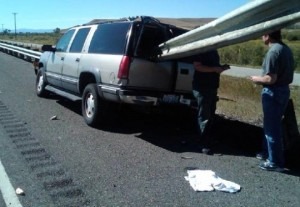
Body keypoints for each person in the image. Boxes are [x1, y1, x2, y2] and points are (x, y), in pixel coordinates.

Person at [250, 30, 294, 172]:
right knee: (273, 124)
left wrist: (256, 79)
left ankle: (275, 161)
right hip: (283, 90)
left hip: (273, 92)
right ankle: (267, 153)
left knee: (271, 127)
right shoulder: (285, 49)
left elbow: (270, 79)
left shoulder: (273, 52)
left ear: (267, 36)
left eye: (263, 34)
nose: (262, 37)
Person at [191, 50, 230, 155]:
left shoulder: (214, 51)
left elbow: (214, 68)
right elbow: (197, 66)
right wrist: (214, 69)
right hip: (202, 87)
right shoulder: (202, 49)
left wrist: (221, 68)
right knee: (204, 116)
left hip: (212, 87)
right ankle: (202, 143)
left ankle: (206, 139)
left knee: (210, 114)